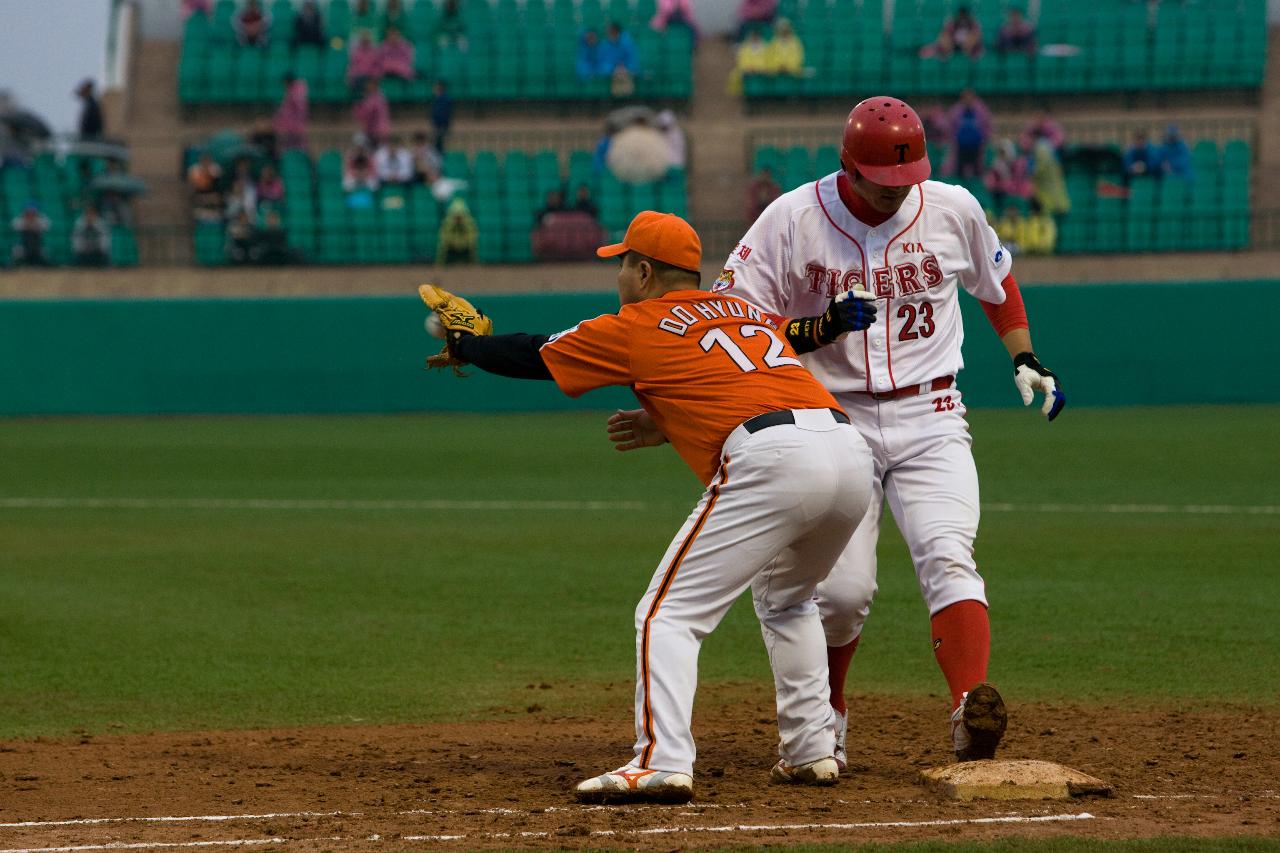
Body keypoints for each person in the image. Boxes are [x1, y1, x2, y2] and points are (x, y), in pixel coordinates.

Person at [424, 210, 877, 803]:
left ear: (642, 271)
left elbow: (540, 353)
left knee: (667, 615)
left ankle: (661, 760)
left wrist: (470, 345)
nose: (618, 277)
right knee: (790, 601)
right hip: (847, 450)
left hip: (776, 458)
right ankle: (812, 751)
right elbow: (774, 349)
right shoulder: (741, 309)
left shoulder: (636, 323)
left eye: (622, 265)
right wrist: (663, 420)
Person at [689, 96, 1067, 771]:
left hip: (933, 414)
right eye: (882, 180)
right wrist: (818, 329)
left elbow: (996, 282)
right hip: (832, 418)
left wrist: (1024, 354)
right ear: (847, 167)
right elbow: (739, 321)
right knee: (841, 592)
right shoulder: (792, 220)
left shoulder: (951, 207)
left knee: (948, 552)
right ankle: (829, 710)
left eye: (908, 177)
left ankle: (967, 709)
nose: (898, 192)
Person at [944, 88, 992, 178]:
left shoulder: (981, 110)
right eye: (965, 97)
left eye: (970, 97)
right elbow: (950, 128)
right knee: (960, 172)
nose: (968, 99)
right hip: (960, 148)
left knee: (977, 172)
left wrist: (984, 140)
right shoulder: (956, 111)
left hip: (976, 148)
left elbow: (987, 126)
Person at [983, 139, 1032, 213]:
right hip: (1000, 197)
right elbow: (989, 185)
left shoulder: (1018, 166)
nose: (1001, 156)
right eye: (1000, 153)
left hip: (1015, 196)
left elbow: (1021, 185)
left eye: (1003, 153)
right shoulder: (996, 166)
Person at [1030, 139, 1070, 216]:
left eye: (1043, 152)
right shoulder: (1036, 166)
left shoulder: (1053, 166)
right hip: (1044, 200)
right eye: (1039, 152)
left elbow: (1040, 170)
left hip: (1056, 200)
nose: (1041, 154)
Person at [436, 196, 478, 264]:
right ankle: (440, 263)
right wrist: (452, 242)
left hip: (464, 243)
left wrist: (464, 242)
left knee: (473, 245)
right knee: (442, 245)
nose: (458, 218)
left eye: (460, 215)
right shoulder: (448, 222)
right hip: (451, 243)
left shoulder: (469, 222)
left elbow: (473, 236)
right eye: (456, 215)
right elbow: (443, 236)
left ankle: (473, 263)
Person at [274, 74, 309, 151]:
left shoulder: (297, 93)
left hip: (294, 127)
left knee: (298, 147)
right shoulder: (291, 92)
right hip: (289, 127)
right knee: (289, 146)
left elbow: (299, 110)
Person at [354, 78, 391, 146]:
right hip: (373, 131)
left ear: (374, 86)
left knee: (360, 139)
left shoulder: (378, 97)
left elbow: (368, 114)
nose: (367, 87)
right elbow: (361, 116)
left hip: (379, 131)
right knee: (358, 139)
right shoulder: (372, 97)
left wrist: (359, 106)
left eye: (369, 85)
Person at [188, 152, 224, 222]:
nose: (206, 164)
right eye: (204, 161)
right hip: (200, 197)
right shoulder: (194, 171)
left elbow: (218, 190)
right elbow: (193, 189)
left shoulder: (215, 170)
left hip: (213, 198)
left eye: (208, 161)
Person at [429, 80, 453, 154]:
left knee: (441, 142)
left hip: (442, 124)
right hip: (438, 124)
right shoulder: (437, 98)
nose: (434, 89)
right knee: (437, 142)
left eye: (436, 87)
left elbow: (444, 113)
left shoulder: (445, 99)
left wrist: (442, 124)